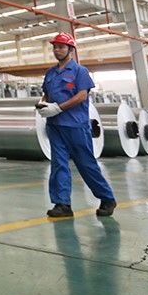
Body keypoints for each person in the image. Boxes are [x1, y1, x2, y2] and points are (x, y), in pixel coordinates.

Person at [37, 32, 117, 218]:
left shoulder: (80, 71)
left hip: (75, 125)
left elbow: (81, 96)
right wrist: (43, 104)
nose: (57, 50)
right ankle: (62, 204)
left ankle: (107, 198)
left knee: (86, 164)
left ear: (70, 49)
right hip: (55, 125)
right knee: (58, 164)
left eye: (61, 47)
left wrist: (58, 108)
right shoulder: (50, 73)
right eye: (55, 47)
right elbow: (47, 94)